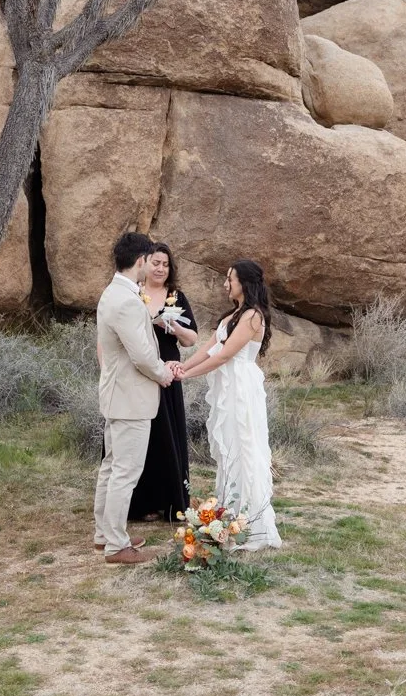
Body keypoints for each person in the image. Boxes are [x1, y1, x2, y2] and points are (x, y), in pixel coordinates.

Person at [171, 259, 282, 550]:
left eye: (229, 279)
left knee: (244, 443)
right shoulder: (231, 316)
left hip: (241, 387)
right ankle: (229, 511)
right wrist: (183, 368)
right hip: (227, 387)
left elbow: (224, 357)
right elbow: (208, 349)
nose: (225, 284)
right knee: (229, 445)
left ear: (243, 283)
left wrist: (186, 377)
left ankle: (251, 519)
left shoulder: (253, 317)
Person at [93, 229, 177, 566]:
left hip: (118, 395)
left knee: (111, 467)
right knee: (125, 471)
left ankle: (105, 534)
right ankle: (116, 544)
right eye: (149, 260)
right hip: (130, 398)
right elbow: (141, 355)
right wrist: (164, 373)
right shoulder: (127, 301)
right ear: (140, 261)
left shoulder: (113, 293)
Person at [126, 242, 197, 523]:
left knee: (167, 436)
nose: (160, 268)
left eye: (166, 264)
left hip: (168, 373)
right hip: (139, 371)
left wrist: (173, 326)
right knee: (144, 438)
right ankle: (141, 504)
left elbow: (191, 339)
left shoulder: (176, 296)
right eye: (156, 262)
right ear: (144, 264)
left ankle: (171, 504)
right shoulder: (134, 293)